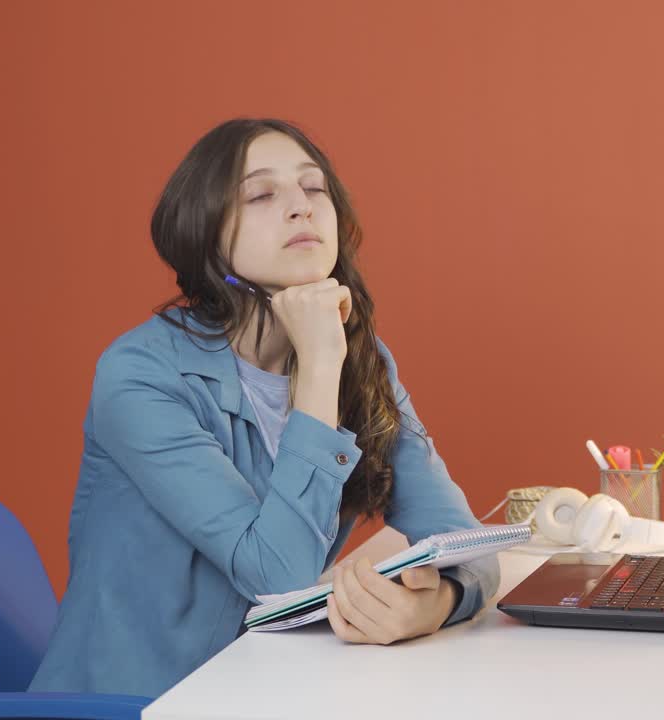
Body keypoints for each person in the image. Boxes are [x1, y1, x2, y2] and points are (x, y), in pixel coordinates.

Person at [28, 118, 499, 698]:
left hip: (270, 688)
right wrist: (320, 368)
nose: (301, 207)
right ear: (205, 234)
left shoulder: (363, 359)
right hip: (143, 703)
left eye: (314, 188)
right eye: (261, 194)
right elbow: (278, 577)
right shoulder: (140, 374)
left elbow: (464, 543)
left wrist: (434, 607)